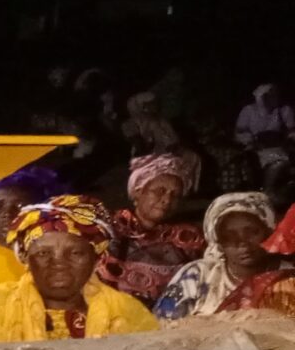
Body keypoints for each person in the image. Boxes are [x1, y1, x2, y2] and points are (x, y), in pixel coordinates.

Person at [0, 196, 158, 342]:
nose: (58, 263)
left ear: (96, 259)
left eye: (75, 253)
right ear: (26, 259)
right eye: (44, 254)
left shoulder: (126, 312)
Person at [97, 152, 205, 305]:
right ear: (138, 191)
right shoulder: (108, 230)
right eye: (160, 191)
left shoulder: (187, 239)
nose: (167, 199)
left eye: (175, 195)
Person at [153, 193, 279, 322]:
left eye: (252, 233)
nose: (242, 243)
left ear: (268, 232)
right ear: (218, 243)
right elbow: (163, 326)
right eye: (229, 236)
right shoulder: (197, 276)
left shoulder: (286, 277)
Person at [121, 91, 183, 158]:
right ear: (142, 106)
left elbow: (173, 139)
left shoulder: (161, 120)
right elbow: (140, 147)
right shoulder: (130, 124)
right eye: (151, 104)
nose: (156, 106)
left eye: (155, 103)